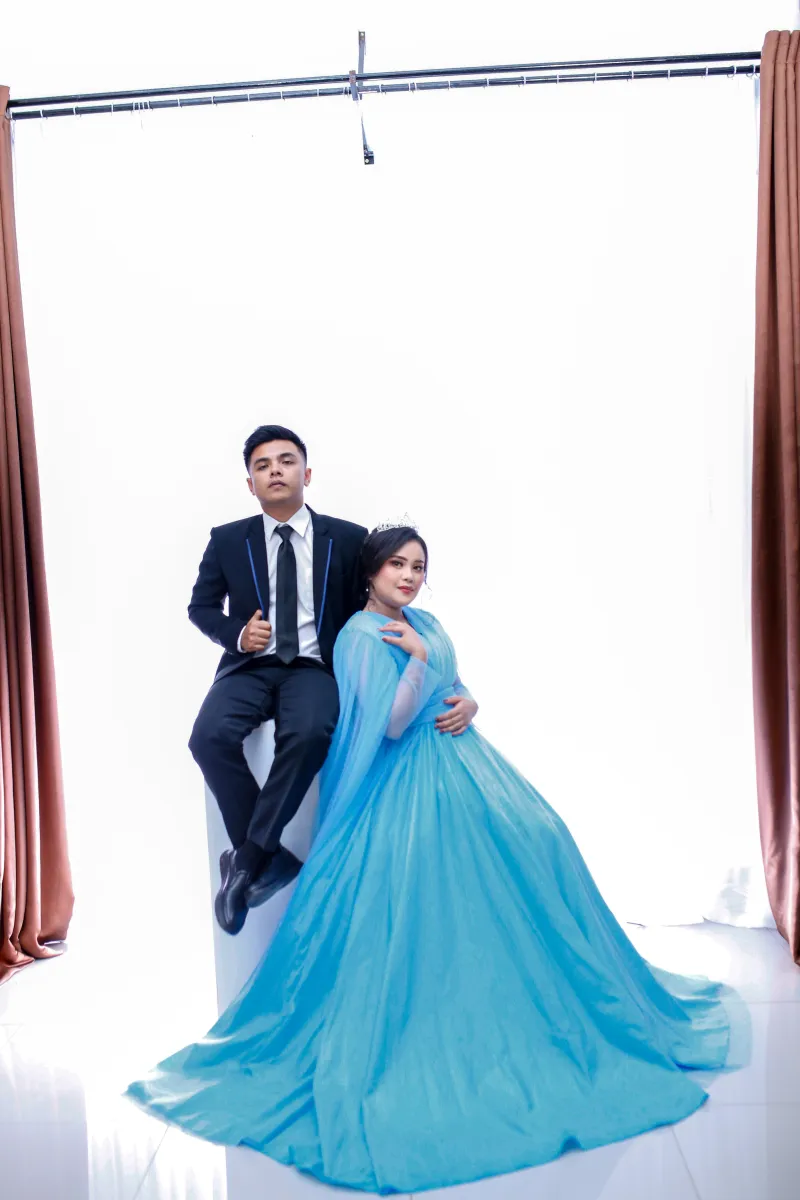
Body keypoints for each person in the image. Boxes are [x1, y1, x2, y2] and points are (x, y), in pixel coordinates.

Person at [129, 525, 743, 1192]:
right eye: (397, 564)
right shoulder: (361, 635)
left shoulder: (425, 621)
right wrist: (418, 662)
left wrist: (469, 698)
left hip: (466, 760)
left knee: (542, 835)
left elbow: (456, 684)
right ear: (371, 572)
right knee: (436, 876)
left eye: (418, 566)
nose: (409, 576)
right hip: (411, 774)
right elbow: (392, 724)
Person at [187, 424, 366, 934]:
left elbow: (372, 605)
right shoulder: (227, 540)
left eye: (286, 461)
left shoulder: (349, 539)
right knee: (208, 738)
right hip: (250, 665)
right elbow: (201, 607)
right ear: (251, 484)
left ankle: (246, 859)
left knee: (308, 733)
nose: (275, 471)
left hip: (313, 666)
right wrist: (237, 634)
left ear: (306, 474)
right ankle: (267, 855)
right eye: (262, 466)